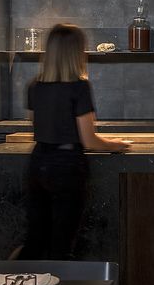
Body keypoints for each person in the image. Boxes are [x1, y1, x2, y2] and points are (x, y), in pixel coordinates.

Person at [20, 23, 130, 259]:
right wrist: (117, 145)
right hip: (66, 168)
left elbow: (35, 127)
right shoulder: (79, 88)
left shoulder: (34, 87)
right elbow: (89, 141)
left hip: (38, 163)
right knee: (61, 244)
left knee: (35, 241)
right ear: (75, 53)